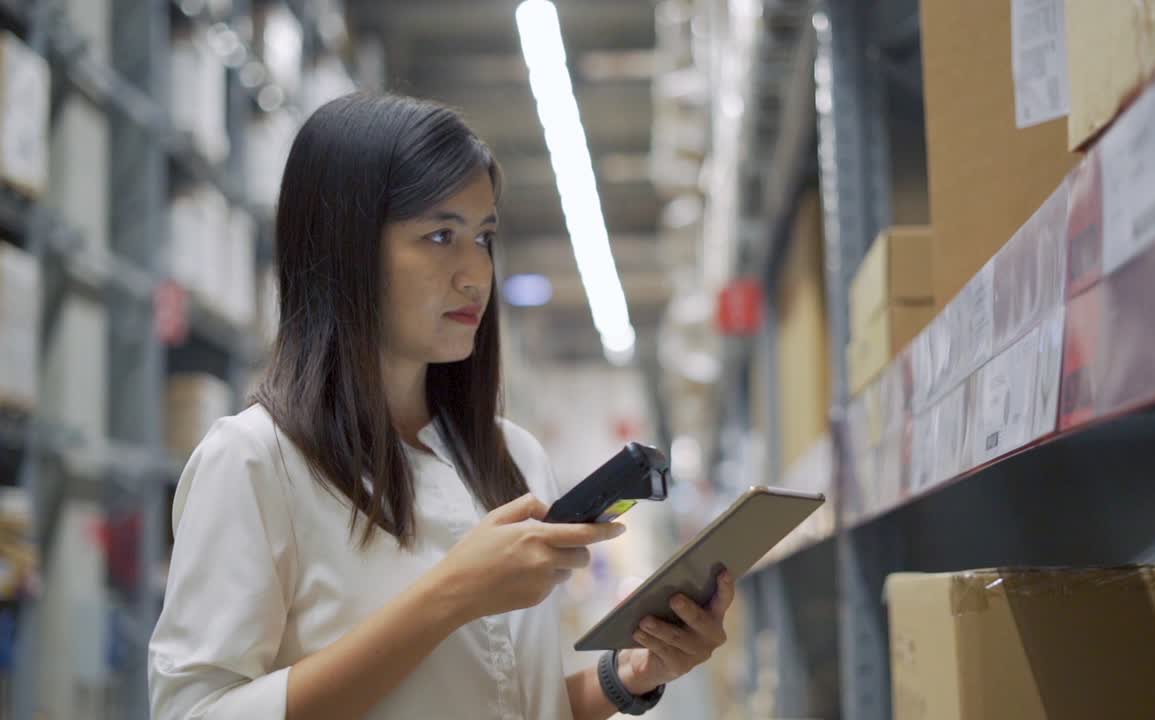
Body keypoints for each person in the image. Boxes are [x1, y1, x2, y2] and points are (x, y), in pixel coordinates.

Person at [148, 93, 735, 720]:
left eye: (484, 237)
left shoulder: (513, 457)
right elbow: (196, 712)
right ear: (345, 247)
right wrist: (449, 597)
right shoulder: (253, 462)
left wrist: (630, 676)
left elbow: (513, 702)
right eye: (439, 235)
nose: (474, 274)